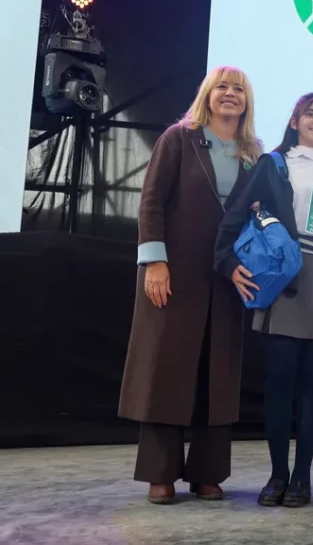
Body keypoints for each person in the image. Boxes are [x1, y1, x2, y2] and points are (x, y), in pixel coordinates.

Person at [118, 66, 261, 504]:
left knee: (217, 375)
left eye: (239, 89)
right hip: (174, 273)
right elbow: (152, 201)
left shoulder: (254, 152)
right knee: (165, 370)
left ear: (247, 101)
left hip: (228, 276)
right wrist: (155, 262)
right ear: (207, 94)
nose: (230, 94)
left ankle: (207, 473)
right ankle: (159, 474)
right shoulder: (178, 138)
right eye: (222, 87)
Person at [215, 92, 313, 508]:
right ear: (295, 121)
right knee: (279, 384)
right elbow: (235, 214)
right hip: (284, 279)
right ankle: (277, 475)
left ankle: (302, 478)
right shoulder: (272, 164)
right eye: (311, 114)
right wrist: (225, 263)